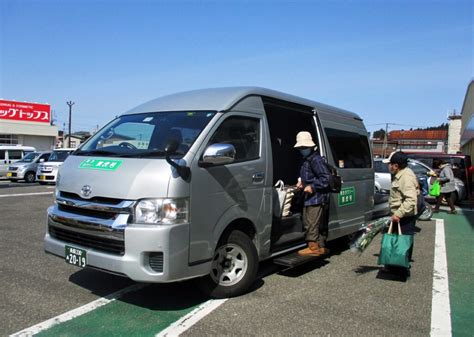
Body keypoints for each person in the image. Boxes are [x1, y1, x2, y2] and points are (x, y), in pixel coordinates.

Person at [294, 131, 331, 257]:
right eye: (300, 147)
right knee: (309, 221)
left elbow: (326, 178)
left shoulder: (315, 159)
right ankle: (319, 247)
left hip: (316, 197)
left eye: (304, 147)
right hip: (309, 197)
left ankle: (313, 247)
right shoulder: (307, 159)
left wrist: (312, 187)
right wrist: (301, 183)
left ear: (310, 146)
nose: (302, 149)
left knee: (311, 223)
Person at [383, 151, 418, 274]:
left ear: (396, 165)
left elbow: (411, 199)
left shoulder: (406, 177)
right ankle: (394, 266)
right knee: (396, 241)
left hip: (404, 217)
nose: (388, 166)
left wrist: (398, 213)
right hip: (399, 215)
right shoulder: (401, 174)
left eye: (390, 164)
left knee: (403, 243)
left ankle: (401, 269)